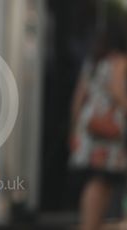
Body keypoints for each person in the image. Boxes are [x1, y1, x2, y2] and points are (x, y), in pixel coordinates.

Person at [69, 3, 127, 229]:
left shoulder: (95, 59)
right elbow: (116, 90)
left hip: (89, 127)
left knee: (97, 181)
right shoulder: (120, 60)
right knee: (102, 182)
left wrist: (74, 129)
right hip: (109, 132)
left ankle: (88, 224)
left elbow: (79, 96)